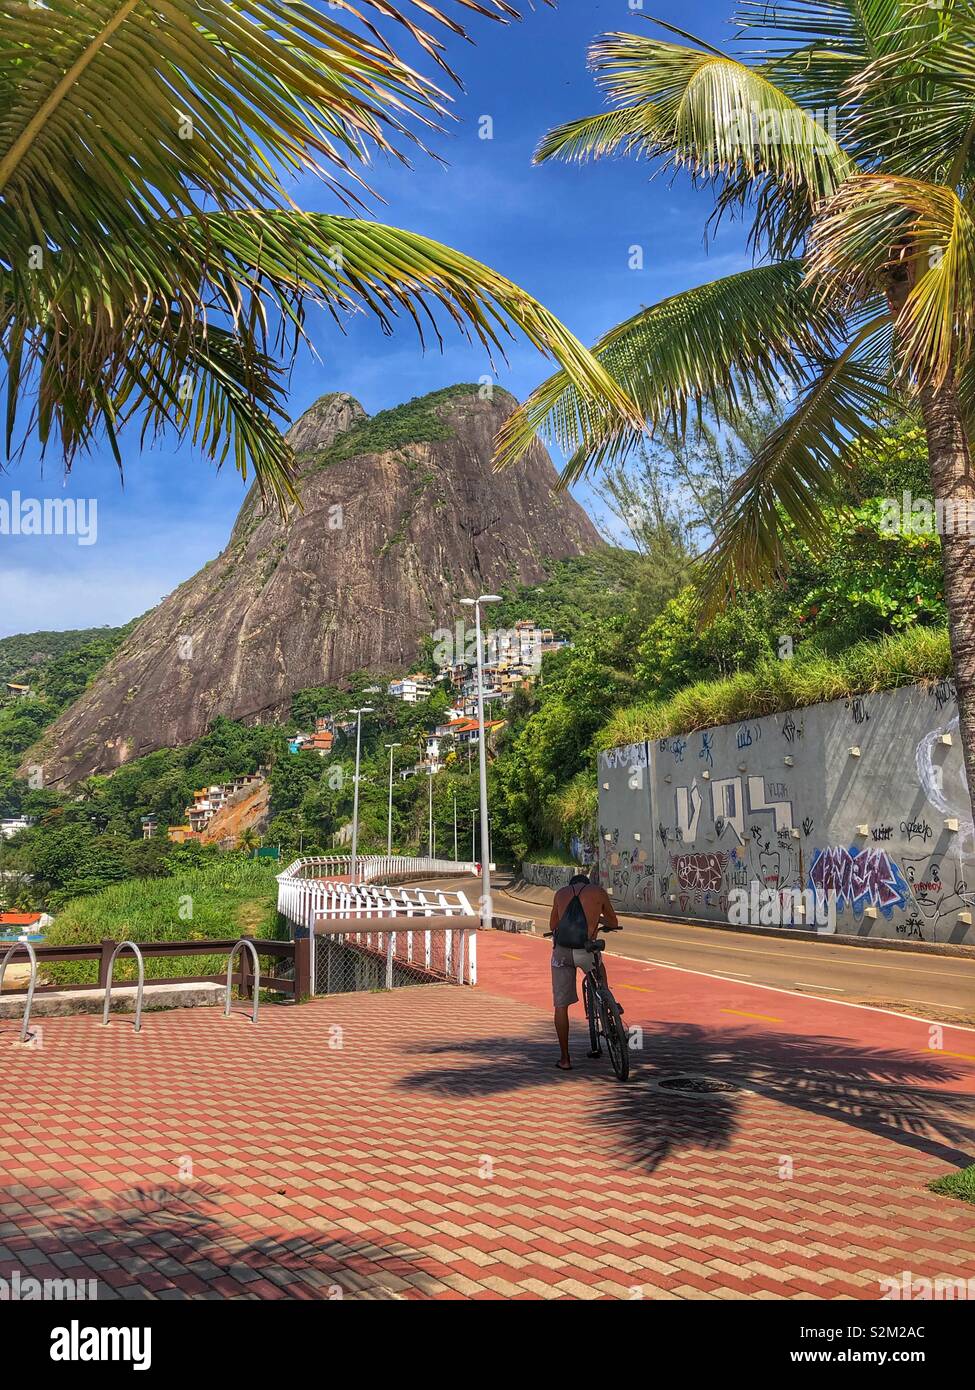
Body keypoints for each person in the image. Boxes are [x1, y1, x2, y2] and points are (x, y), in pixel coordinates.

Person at [549, 872, 618, 1071]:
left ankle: (565, 1059)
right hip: (587, 950)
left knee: (560, 1006)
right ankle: (606, 997)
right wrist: (598, 922)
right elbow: (613, 922)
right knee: (599, 966)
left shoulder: (560, 893)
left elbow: (553, 926)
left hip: (562, 954)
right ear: (587, 884)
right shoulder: (598, 892)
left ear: (571, 885)